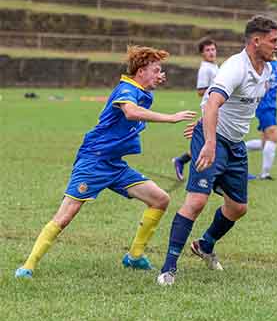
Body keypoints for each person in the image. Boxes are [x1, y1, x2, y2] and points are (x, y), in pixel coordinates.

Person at [15, 46, 196, 279]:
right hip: (94, 160)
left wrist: (152, 81)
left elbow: (140, 96)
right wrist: (170, 118)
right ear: (141, 71)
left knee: (160, 200)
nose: (160, 75)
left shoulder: (138, 88)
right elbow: (130, 112)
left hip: (114, 164)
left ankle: (134, 257)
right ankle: (27, 267)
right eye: (156, 70)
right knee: (66, 215)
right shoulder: (126, 89)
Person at [156, 15, 277, 286]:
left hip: (235, 143)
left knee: (238, 207)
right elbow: (213, 103)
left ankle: (205, 244)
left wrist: (204, 122)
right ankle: (168, 269)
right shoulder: (235, 67)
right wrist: (208, 140)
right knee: (197, 201)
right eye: (274, 41)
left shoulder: (268, 71)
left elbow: (233, 107)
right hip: (214, 140)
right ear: (256, 41)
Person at [172, 37, 219, 181]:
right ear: (202, 53)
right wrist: (215, 92)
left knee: (212, 141)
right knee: (210, 141)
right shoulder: (205, 69)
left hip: (217, 108)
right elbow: (200, 91)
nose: (211, 52)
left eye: (213, 49)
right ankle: (182, 160)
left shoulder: (214, 66)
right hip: (210, 108)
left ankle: (181, 160)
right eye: (207, 50)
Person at [244, 55, 277, 180]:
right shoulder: (259, 63)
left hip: (272, 106)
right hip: (263, 105)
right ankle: (265, 174)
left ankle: (236, 149)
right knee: (274, 136)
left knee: (265, 143)